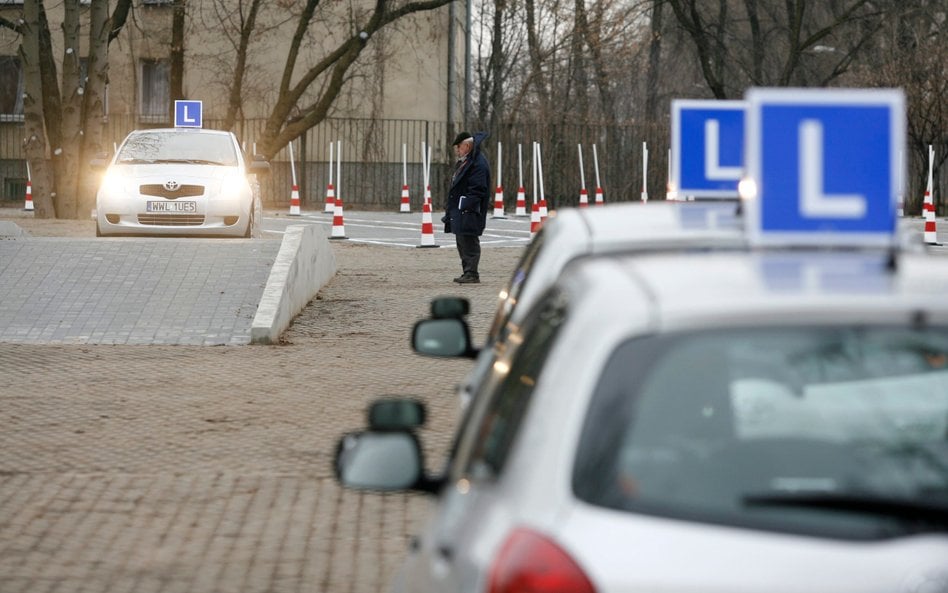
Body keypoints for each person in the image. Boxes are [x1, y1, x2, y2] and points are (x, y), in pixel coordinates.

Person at [443, 131, 491, 284]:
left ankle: (471, 273)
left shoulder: (477, 163)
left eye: (458, 147)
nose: (457, 150)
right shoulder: (467, 161)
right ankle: (467, 271)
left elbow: (477, 188)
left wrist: (464, 205)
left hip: (469, 209)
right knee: (462, 240)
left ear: (467, 146)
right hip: (461, 209)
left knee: (469, 240)